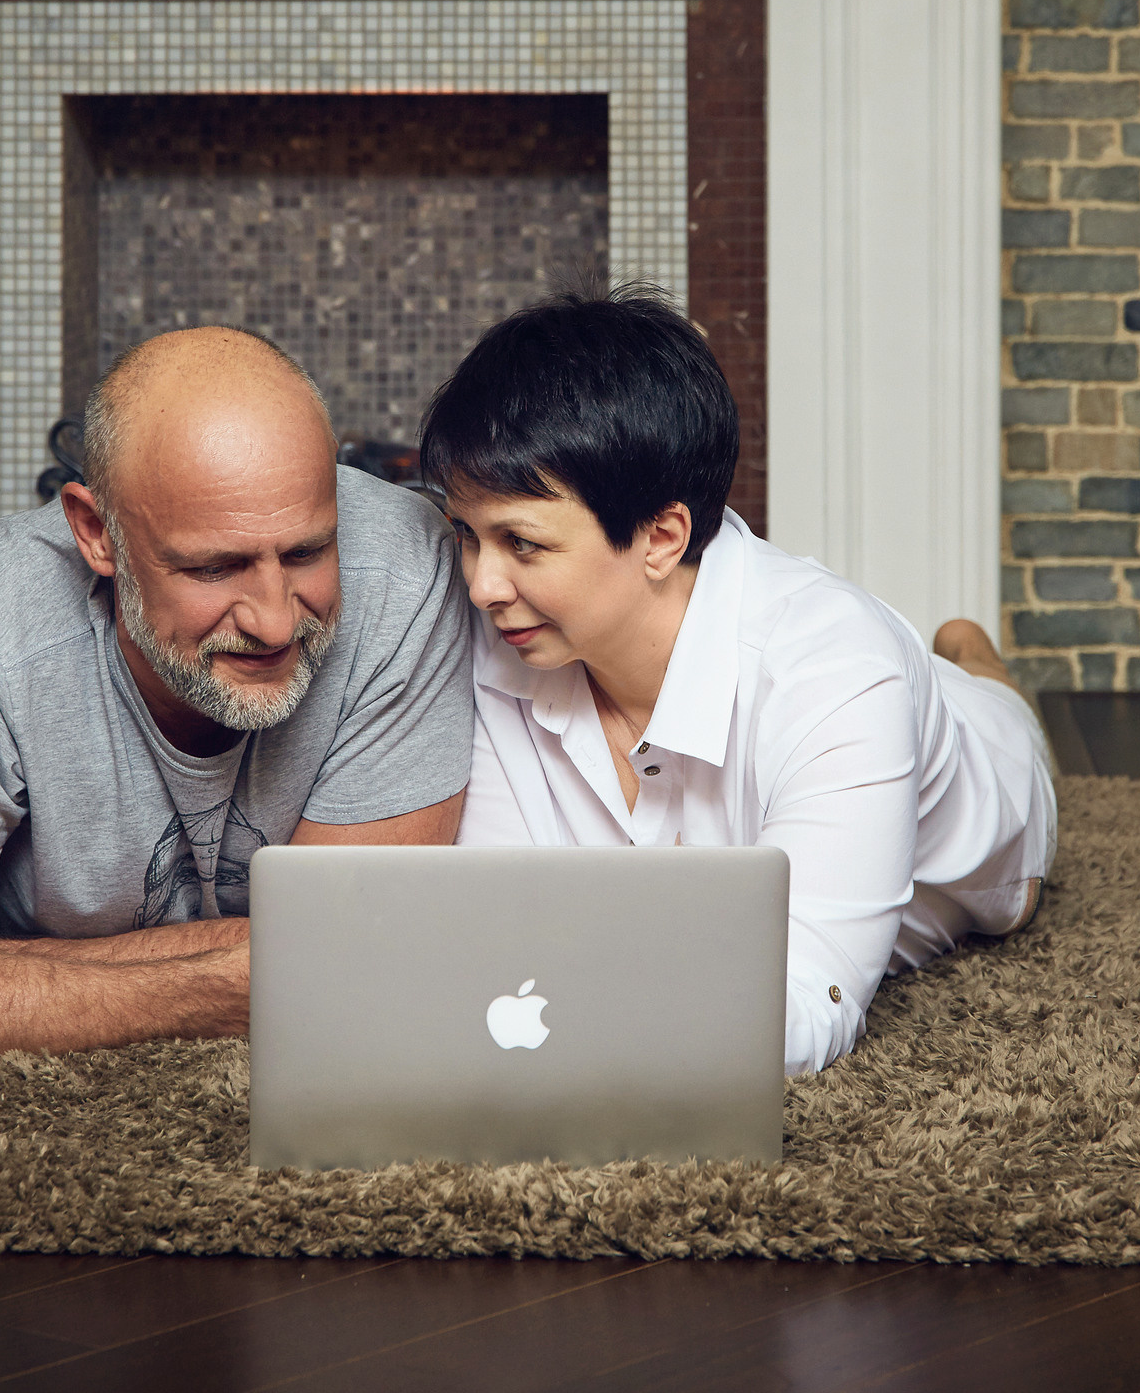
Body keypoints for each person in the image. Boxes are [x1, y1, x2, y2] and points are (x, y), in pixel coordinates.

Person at [0, 327, 475, 1061]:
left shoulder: (408, 574)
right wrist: (250, 973)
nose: (276, 622)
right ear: (97, 534)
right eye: (214, 568)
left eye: (308, 551)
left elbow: (363, 952)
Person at [424, 289, 1057, 1077]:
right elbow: (495, 922)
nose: (481, 585)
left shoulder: (840, 673)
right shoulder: (497, 641)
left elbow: (807, 1004)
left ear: (662, 536)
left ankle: (973, 659)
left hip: (986, 784)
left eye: (521, 543)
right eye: (465, 534)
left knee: (1001, 744)